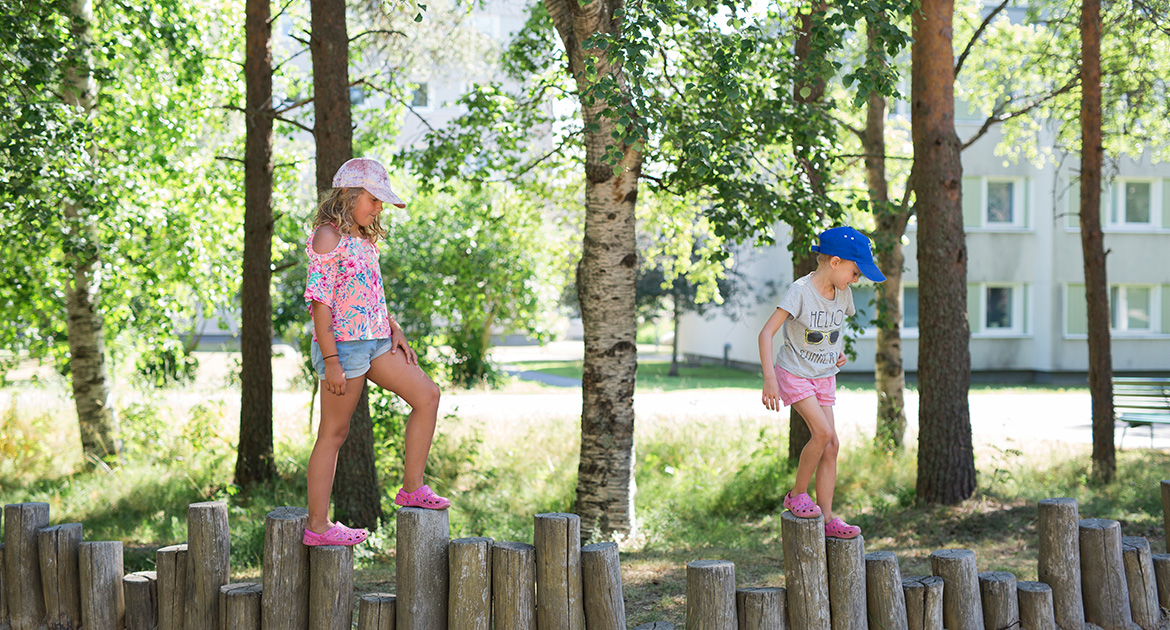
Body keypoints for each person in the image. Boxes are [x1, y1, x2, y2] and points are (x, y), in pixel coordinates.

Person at [301, 157, 449, 547]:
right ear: (349, 194)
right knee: (334, 433)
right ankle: (318, 526)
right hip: (344, 349)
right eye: (374, 199)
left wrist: (394, 328)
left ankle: (412, 488)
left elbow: (369, 292)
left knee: (427, 395)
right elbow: (321, 304)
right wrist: (331, 362)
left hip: (377, 338)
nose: (379, 207)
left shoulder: (365, 238)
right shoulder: (327, 236)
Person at [757, 226, 885, 539]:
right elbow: (766, 333)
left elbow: (830, 330)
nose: (857, 280)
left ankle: (827, 518)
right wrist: (770, 380)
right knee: (823, 432)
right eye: (855, 272)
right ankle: (797, 494)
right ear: (836, 262)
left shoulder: (843, 293)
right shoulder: (800, 291)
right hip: (795, 373)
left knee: (832, 445)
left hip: (824, 376)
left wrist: (836, 351)